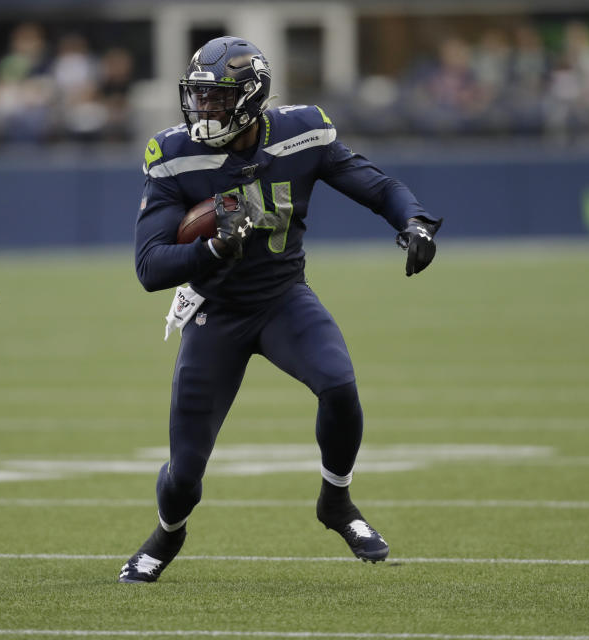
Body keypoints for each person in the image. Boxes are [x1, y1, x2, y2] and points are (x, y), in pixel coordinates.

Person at [120, 37, 441, 583]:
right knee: (185, 474)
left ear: (250, 98)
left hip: (281, 297)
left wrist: (414, 222)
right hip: (213, 310)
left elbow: (376, 186)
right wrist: (212, 249)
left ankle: (336, 501)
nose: (203, 110)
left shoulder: (301, 132)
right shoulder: (176, 155)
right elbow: (150, 266)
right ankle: (167, 534)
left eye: (216, 99)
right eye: (198, 97)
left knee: (339, 386)